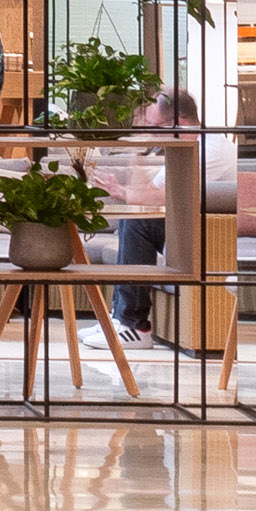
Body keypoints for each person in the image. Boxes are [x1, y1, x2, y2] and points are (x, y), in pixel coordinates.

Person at [104, 89, 221, 335]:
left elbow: (162, 196)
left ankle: (132, 325)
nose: (153, 135)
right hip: (187, 228)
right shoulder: (187, 147)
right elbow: (149, 190)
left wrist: (122, 191)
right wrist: (137, 153)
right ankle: (120, 318)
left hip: (205, 235)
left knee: (138, 223)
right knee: (134, 219)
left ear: (179, 123)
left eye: (156, 128)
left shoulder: (208, 151)